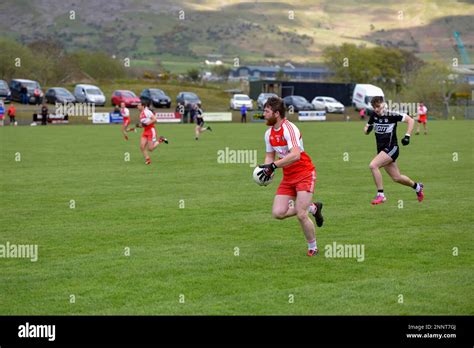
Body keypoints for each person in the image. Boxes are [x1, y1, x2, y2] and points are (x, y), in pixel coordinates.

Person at [257, 96, 324, 257]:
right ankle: (313, 207)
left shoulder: (290, 129)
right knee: (278, 213)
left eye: (266, 111)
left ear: (277, 113)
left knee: (301, 214)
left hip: (304, 173)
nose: (263, 114)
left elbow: (295, 155)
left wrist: (273, 166)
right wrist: (268, 169)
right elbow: (269, 156)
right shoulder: (269, 134)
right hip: (288, 176)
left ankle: (313, 247)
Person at [364, 96, 424, 205]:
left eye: (378, 106)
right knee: (397, 178)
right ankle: (417, 187)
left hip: (392, 148)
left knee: (373, 165)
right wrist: (368, 129)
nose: (376, 109)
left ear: (383, 104)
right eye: (374, 107)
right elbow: (366, 129)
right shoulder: (373, 115)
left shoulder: (392, 114)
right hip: (382, 151)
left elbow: (410, 120)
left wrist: (407, 136)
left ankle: (381, 195)